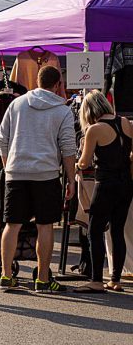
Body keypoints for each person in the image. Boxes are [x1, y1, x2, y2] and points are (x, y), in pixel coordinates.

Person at [0, 65, 76, 293]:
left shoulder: (16, 104)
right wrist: (71, 179)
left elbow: (2, 139)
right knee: (45, 225)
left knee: (12, 225)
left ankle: (6, 275)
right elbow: (68, 148)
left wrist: (8, 166)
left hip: (16, 172)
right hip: (46, 174)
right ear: (58, 84)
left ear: (37, 81)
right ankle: (42, 278)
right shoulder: (63, 111)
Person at [74, 91, 133, 293]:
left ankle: (97, 280)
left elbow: (85, 161)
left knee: (95, 230)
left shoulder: (95, 129)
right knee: (118, 230)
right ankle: (115, 279)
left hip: (105, 183)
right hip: (126, 184)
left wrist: (76, 163)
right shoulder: (125, 122)